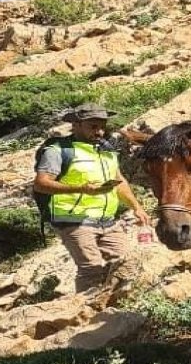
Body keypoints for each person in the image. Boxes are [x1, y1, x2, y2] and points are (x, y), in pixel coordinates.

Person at [33, 103, 151, 298]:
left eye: (102, 126)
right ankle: (83, 313)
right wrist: (82, 189)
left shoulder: (106, 150)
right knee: (91, 270)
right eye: (93, 126)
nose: (100, 131)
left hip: (108, 220)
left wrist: (136, 207)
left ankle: (114, 305)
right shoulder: (58, 150)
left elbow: (119, 181)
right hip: (74, 220)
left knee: (127, 261)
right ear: (76, 125)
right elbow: (41, 184)